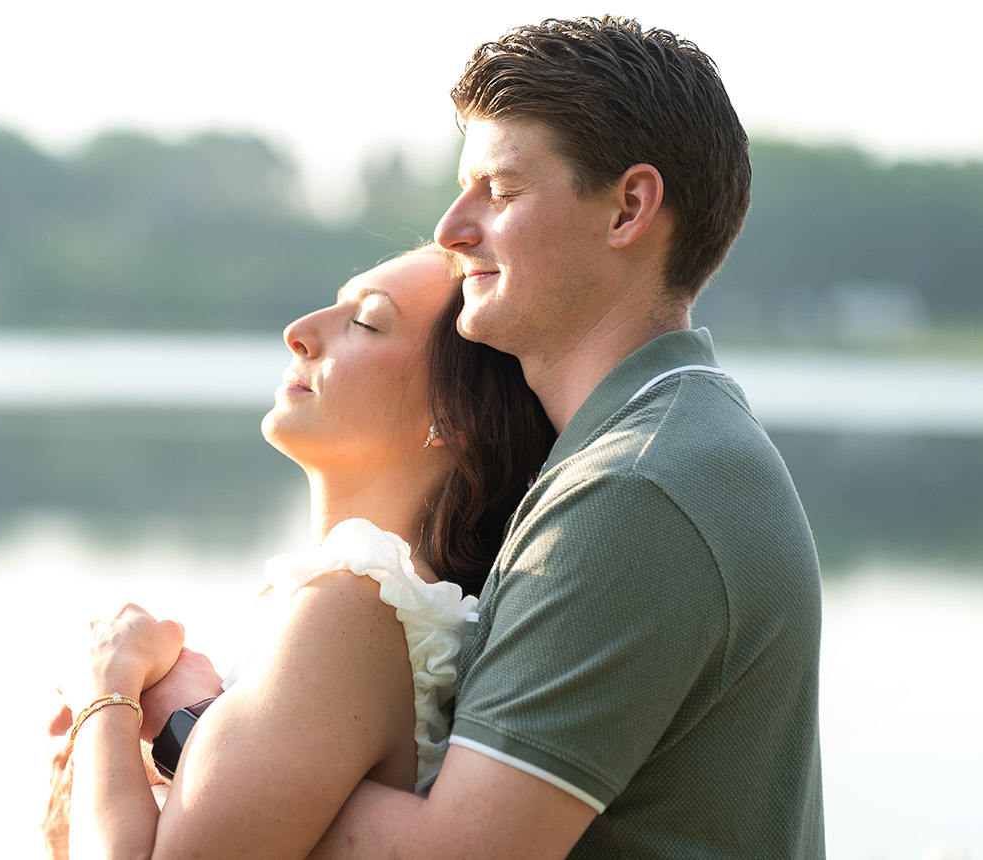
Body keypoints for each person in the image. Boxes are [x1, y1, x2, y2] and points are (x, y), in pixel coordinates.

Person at [105, 14, 824, 860]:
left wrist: (197, 728)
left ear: (629, 207)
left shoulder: (637, 487)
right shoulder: (657, 447)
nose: (451, 227)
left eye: (501, 189)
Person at [43, 243, 556, 859]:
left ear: (452, 416)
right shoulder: (360, 609)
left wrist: (107, 684)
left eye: (365, 321)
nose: (300, 332)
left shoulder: (351, 608)